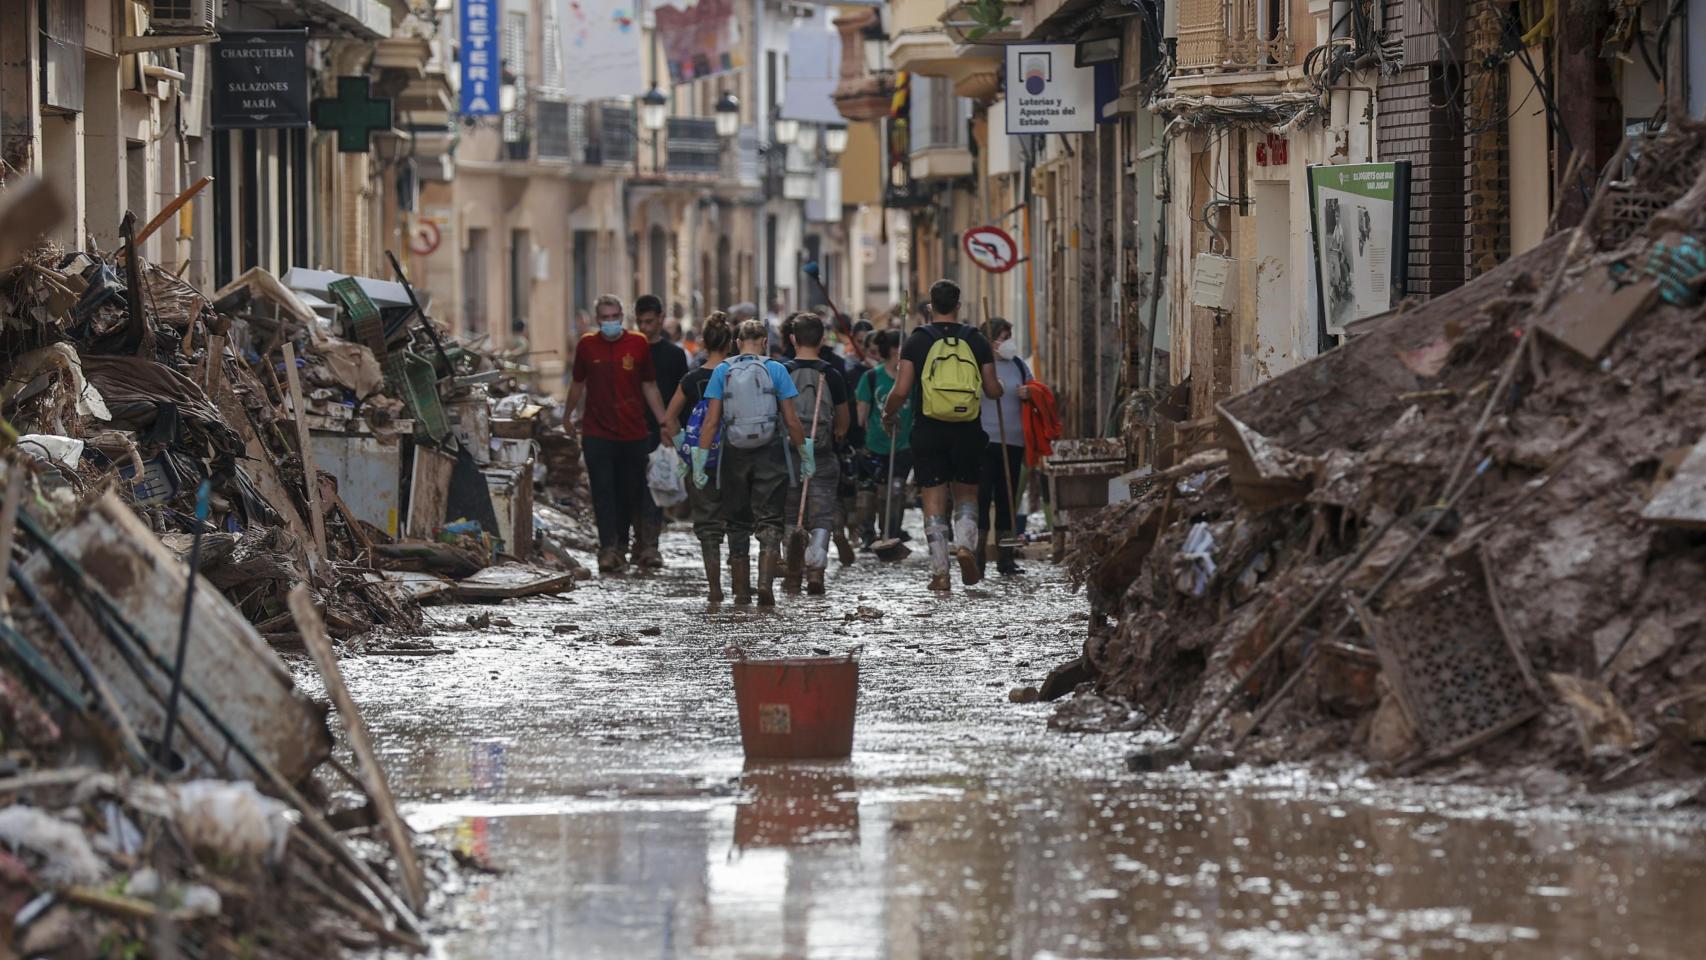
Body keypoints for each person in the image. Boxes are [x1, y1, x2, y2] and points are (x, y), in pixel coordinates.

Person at [880, 279, 1002, 592]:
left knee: (933, 500)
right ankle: (964, 545)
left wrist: (888, 412)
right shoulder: (976, 339)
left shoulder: (917, 340)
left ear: (930, 307)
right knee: (967, 495)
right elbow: (992, 390)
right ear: (958, 305)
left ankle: (940, 573)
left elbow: (901, 390)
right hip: (967, 428)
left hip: (929, 428)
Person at [692, 319, 809, 606]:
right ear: (765, 341)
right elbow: (792, 420)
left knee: (737, 520)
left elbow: (711, 421)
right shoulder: (777, 369)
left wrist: (700, 461)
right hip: (770, 450)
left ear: (737, 342)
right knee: (770, 517)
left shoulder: (723, 370)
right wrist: (805, 455)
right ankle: (765, 583)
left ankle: (741, 591)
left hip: (734, 452)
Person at [566, 295, 671, 575]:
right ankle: (609, 549)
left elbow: (649, 385)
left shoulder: (637, 344)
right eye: (605, 317)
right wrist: (567, 416)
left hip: (633, 431)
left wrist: (663, 422)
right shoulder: (587, 346)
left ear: (622, 317)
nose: (610, 322)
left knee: (631, 491)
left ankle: (632, 545)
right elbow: (578, 384)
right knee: (602, 492)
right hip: (597, 431)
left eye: (615, 317)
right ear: (597, 319)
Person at [662, 313, 733, 604]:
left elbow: (669, 419)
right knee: (739, 523)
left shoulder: (691, 379)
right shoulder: (736, 374)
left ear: (703, 342)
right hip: (735, 458)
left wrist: (684, 449)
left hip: (700, 461)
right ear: (731, 343)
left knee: (707, 525)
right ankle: (744, 586)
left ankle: (714, 587)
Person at [780, 314, 851, 595]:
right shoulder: (831, 373)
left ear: (793, 339)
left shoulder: (781, 372)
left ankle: (792, 573)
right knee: (821, 515)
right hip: (822, 454)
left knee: (789, 514)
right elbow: (844, 422)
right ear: (822, 339)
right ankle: (816, 572)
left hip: (788, 456)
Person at [633, 294, 689, 569]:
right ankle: (635, 541)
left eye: (650, 321)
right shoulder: (630, 351)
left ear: (660, 319)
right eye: (641, 322)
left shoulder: (674, 354)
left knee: (655, 487)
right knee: (632, 487)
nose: (645, 327)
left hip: (661, 430)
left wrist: (677, 430)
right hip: (631, 427)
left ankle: (650, 545)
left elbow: (684, 393)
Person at [977, 318, 1031, 576]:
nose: (1008, 341)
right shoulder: (977, 365)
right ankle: (977, 556)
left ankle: (1005, 558)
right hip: (984, 442)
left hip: (1013, 442)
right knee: (982, 497)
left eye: (1010, 335)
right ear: (990, 341)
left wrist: (1029, 394)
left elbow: (1035, 390)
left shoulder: (1019, 365)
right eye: (1003, 336)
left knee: (1007, 498)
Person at [855, 329, 912, 547]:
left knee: (896, 491)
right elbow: (862, 413)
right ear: (891, 350)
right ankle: (868, 535)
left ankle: (891, 534)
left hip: (903, 444)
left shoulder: (910, 378)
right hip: (875, 444)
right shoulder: (871, 377)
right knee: (872, 493)